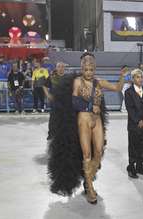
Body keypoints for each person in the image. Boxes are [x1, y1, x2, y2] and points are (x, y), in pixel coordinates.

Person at [47, 52, 127, 204]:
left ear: (94, 69)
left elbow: (117, 88)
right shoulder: (77, 82)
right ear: (82, 68)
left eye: (91, 69)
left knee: (98, 151)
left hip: (96, 120)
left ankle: (88, 177)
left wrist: (122, 76)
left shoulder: (98, 82)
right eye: (86, 69)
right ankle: (90, 187)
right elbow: (75, 103)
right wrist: (91, 104)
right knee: (86, 154)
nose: (88, 73)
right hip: (83, 119)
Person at [125, 68, 143, 178]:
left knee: (142, 145)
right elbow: (129, 108)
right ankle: (131, 167)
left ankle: (140, 166)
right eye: (137, 77)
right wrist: (138, 120)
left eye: (141, 77)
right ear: (132, 79)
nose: (140, 79)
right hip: (134, 124)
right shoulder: (128, 92)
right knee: (133, 146)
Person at [43, 62, 67, 142]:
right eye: (59, 67)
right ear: (56, 68)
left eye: (62, 67)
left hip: (65, 103)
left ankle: (63, 134)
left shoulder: (67, 78)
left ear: (64, 68)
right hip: (55, 102)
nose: (60, 68)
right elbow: (44, 86)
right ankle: (51, 135)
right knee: (53, 119)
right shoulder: (52, 77)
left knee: (64, 119)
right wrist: (48, 95)